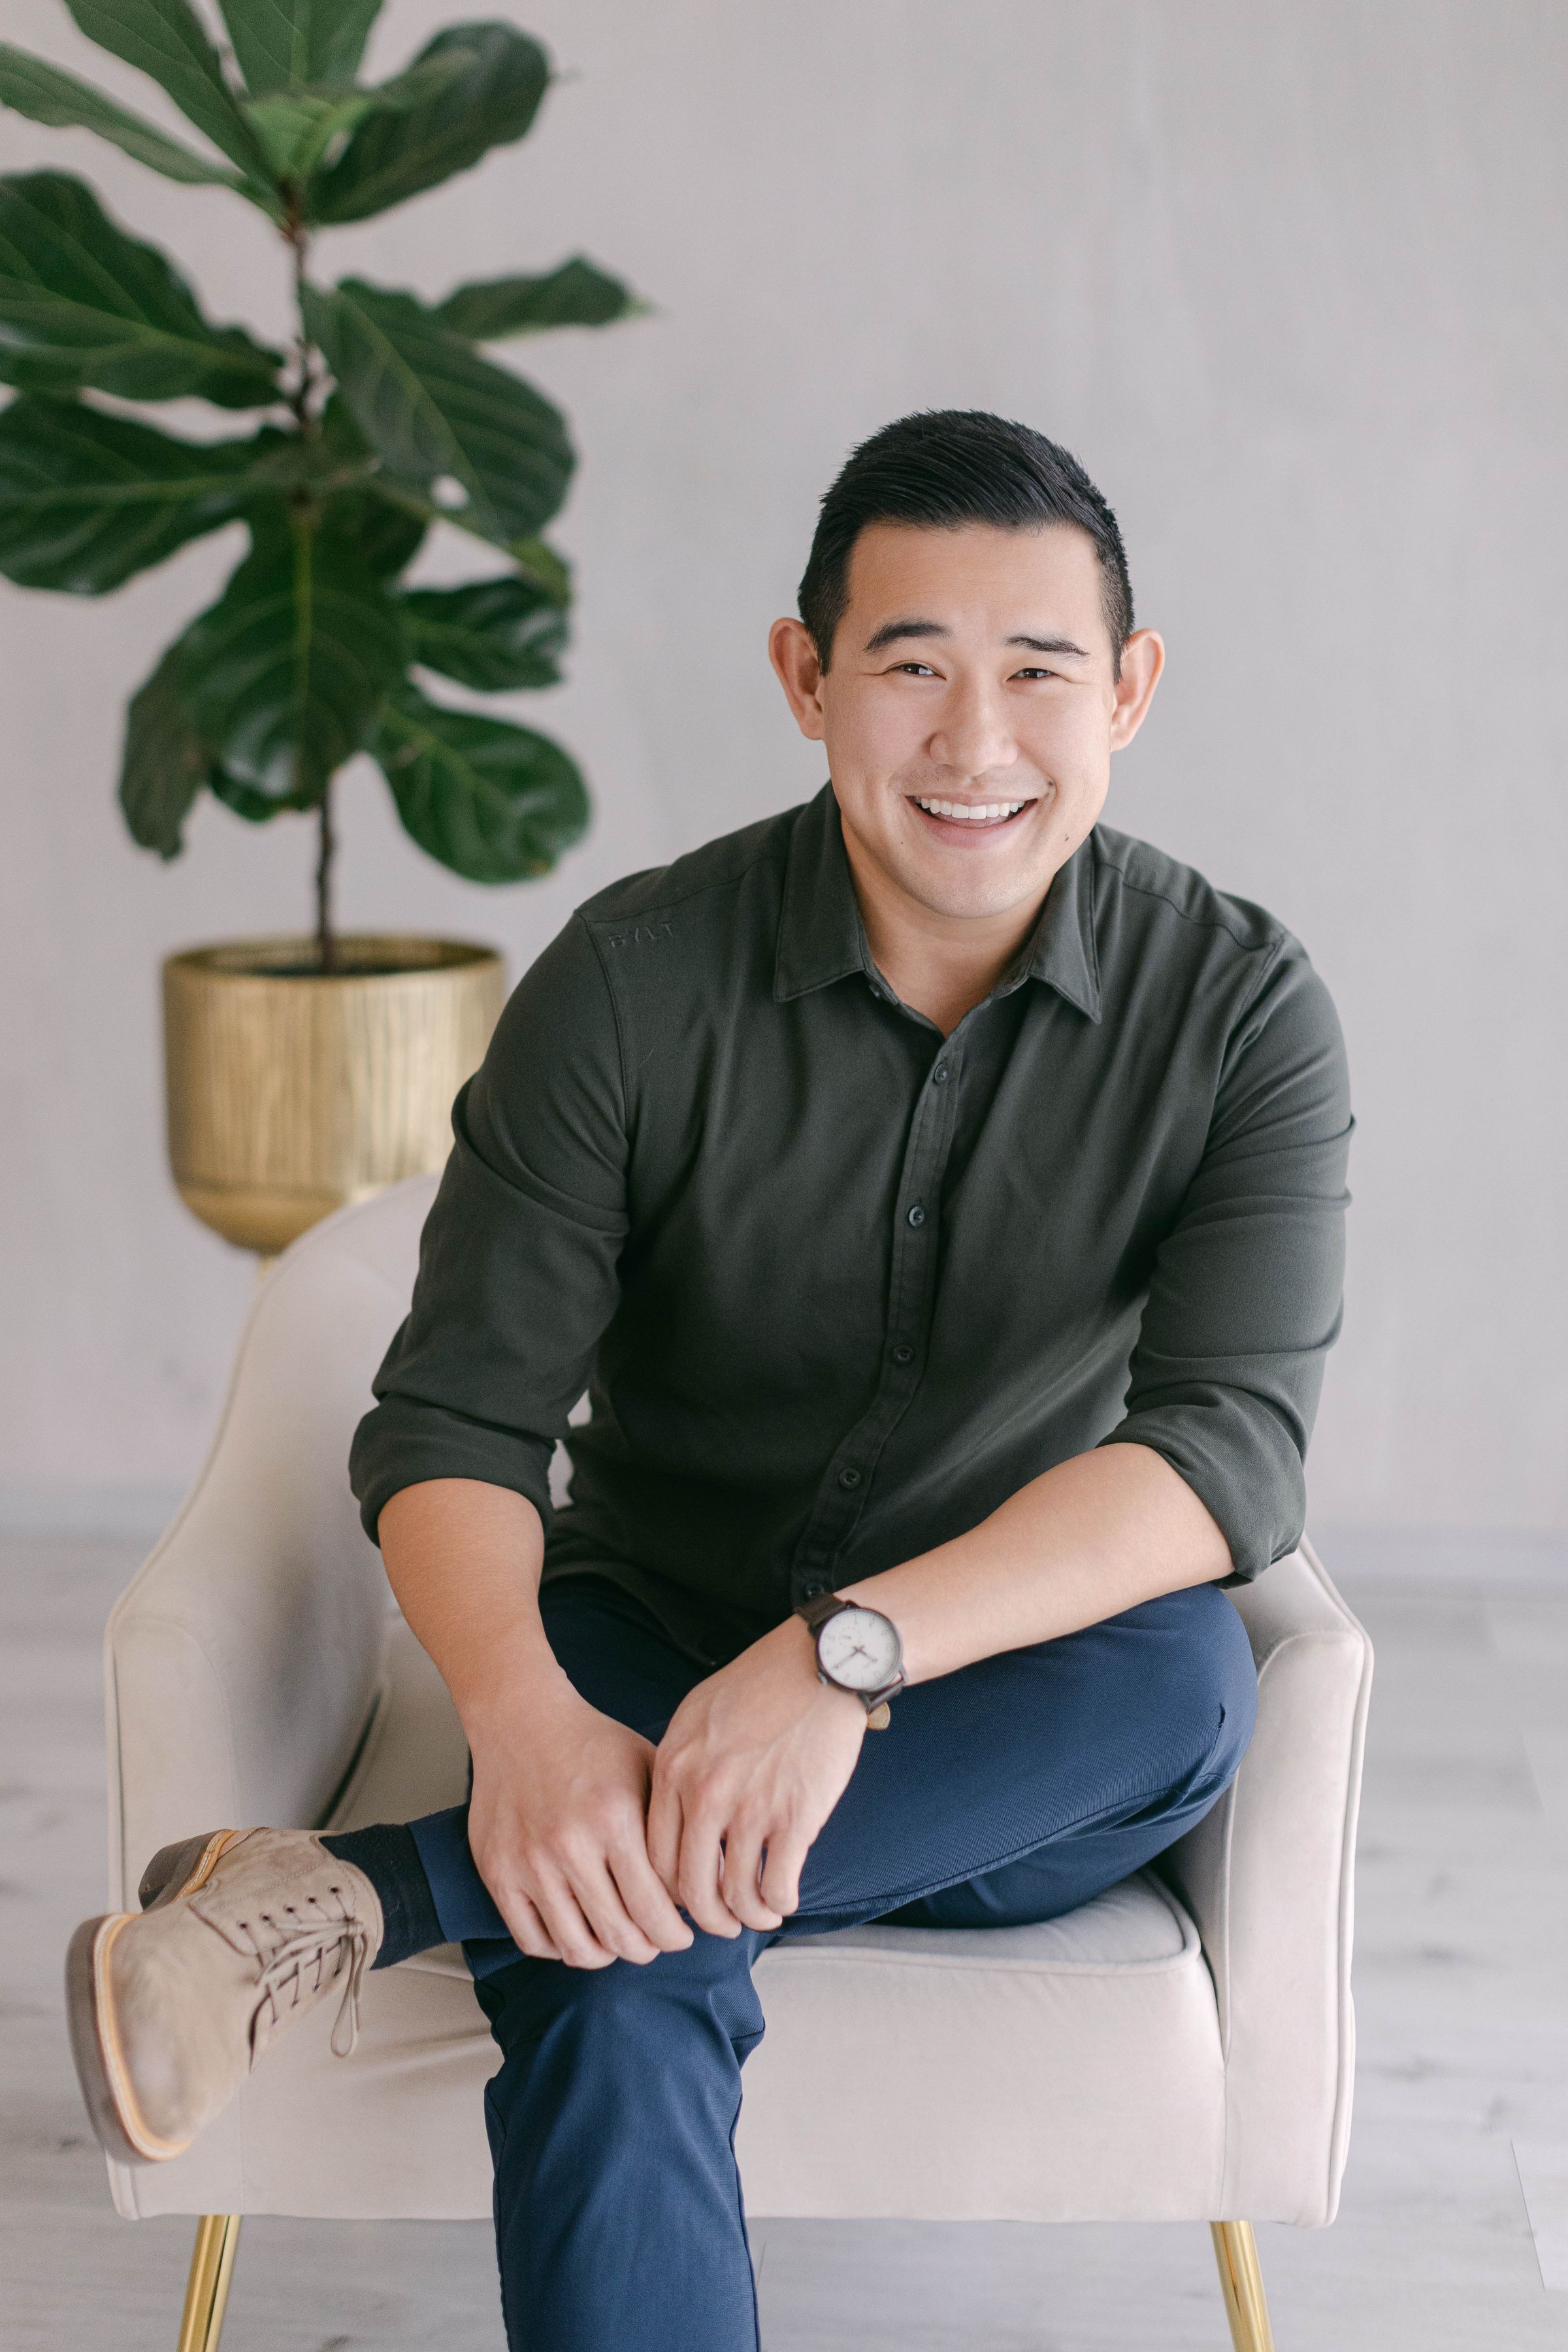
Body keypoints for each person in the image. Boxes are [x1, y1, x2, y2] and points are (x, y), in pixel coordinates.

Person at [66, 410, 1350, 2352]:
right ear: (805, 678)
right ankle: (488, 1872)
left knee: (1183, 1681)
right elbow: (454, 1424)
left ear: (1131, 690)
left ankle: (362, 1898)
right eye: (911, 666)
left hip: (1006, 1687)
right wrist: (524, 1719)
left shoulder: (1241, 1009)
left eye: (1039, 670)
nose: (976, 741)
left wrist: (843, 1661)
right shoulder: (631, 979)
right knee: (610, 1959)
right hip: (649, 1628)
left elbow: (1224, 1450)